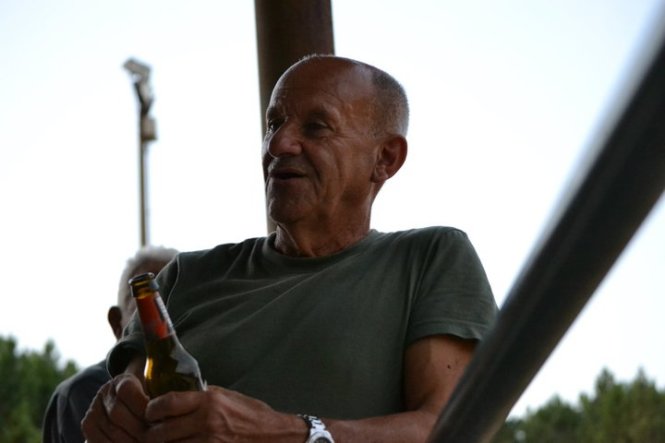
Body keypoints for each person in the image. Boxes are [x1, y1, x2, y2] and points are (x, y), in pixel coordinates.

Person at [81, 55, 498, 442]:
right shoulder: (182, 277)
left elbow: (451, 428)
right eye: (273, 124)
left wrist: (288, 433)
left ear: (385, 158)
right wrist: (114, 414)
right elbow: (127, 402)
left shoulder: (428, 258)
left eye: (316, 127)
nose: (278, 144)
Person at [42, 245, 178, 443]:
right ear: (117, 324)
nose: (163, 315)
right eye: (145, 304)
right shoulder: (87, 392)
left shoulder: (200, 377)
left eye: (176, 298)